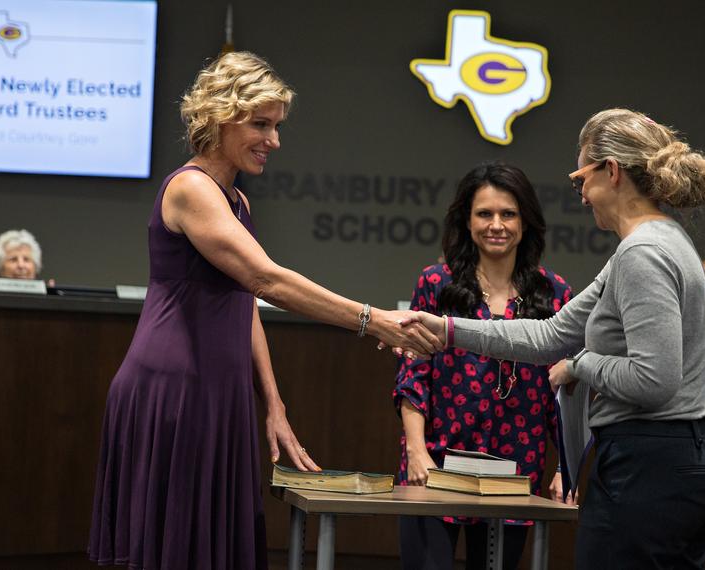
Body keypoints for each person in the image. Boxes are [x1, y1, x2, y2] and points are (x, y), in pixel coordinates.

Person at [87, 51, 440, 570]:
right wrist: (374, 320)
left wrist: (273, 404)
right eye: (261, 124)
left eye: (276, 126)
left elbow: (244, 304)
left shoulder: (238, 201)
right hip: (175, 390)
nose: (273, 140)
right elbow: (265, 280)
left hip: (220, 392)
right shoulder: (191, 188)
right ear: (220, 118)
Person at [403, 109, 705, 569]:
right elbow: (552, 334)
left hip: (651, 465)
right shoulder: (656, 241)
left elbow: (655, 380)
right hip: (679, 461)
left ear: (611, 172)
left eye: (581, 178)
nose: (580, 194)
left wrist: (581, 365)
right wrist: (447, 328)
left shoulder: (642, 253)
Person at [393, 162, 573, 570]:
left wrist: (566, 467)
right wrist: (416, 452)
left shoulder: (554, 293)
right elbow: (412, 376)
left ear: (525, 222)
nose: (496, 225)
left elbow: (561, 394)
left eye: (508, 214)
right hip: (435, 463)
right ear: (467, 220)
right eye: (484, 214)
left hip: (515, 470)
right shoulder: (436, 283)